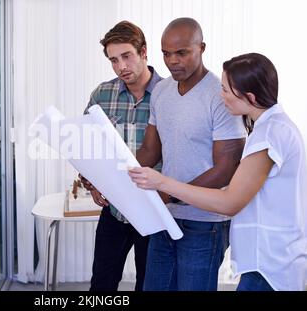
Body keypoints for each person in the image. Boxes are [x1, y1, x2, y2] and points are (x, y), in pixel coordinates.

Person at [129, 52, 307, 291]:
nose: (219, 94)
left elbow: (229, 202)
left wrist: (162, 183)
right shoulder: (272, 127)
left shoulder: (269, 135)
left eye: (224, 89)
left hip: (270, 266)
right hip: (269, 261)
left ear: (250, 97)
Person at [134, 18, 247, 291]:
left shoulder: (220, 94)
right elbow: (150, 150)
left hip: (205, 222)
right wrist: (112, 174)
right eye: (166, 53)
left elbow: (227, 168)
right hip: (165, 215)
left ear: (201, 48)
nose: (172, 61)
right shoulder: (161, 91)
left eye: (181, 52)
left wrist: (172, 193)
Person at [79, 20, 163, 291]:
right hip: (114, 211)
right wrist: (90, 182)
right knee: (101, 286)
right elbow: (84, 147)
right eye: (113, 60)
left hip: (156, 212)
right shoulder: (102, 94)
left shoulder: (169, 94)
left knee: (149, 286)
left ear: (144, 52)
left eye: (126, 56)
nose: (121, 67)